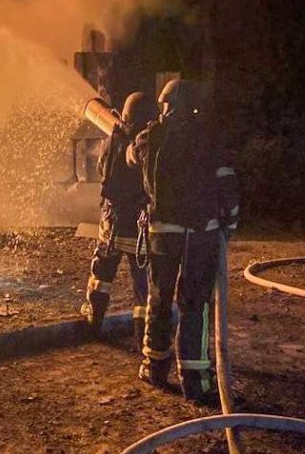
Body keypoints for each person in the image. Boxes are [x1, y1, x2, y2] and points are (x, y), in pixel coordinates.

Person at [127, 78, 239, 404]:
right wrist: (229, 224)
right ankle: (195, 380)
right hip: (199, 235)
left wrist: (130, 138)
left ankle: (154, 366)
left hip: (161, 234)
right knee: (195, 304)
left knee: (159, 299)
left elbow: (132, 156)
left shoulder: (149, 137)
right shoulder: (209, 140)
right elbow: (227, 185)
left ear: (166, 104)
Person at [80, 91, 157, 349]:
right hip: (139, 230)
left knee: (101, 277)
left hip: (111, 227)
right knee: (142, 288)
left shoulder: (112, 143)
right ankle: (141, 335)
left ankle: (93, 322)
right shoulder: (147, 146)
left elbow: (103, 171)